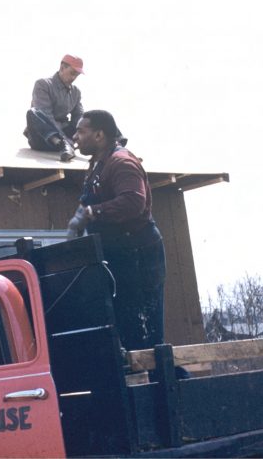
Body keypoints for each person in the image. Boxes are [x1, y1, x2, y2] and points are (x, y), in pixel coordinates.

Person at [67, 109, 166, 351]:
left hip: (137, 255)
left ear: (99, 134)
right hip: (118, 254)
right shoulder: (97, 165)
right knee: (124, 324)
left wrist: (92, 213)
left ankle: (154, 381)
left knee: (142, 331)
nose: (75, 136)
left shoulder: (122, 162)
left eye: (81, 130)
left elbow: (133, 202)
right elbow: (89, 199)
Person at [24, 54, 85, 162]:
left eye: (77, 75)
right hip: (43, 138)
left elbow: (80, 117)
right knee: (33, 113)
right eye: (72, 73)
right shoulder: (43, 84)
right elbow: (46, 115)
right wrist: (64, 140)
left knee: (96, 117)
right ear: (62, 68)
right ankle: (63, 144)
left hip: (66, 135)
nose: (74, 78)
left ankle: (115, 145)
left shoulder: (76, 92)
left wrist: (82, 136)